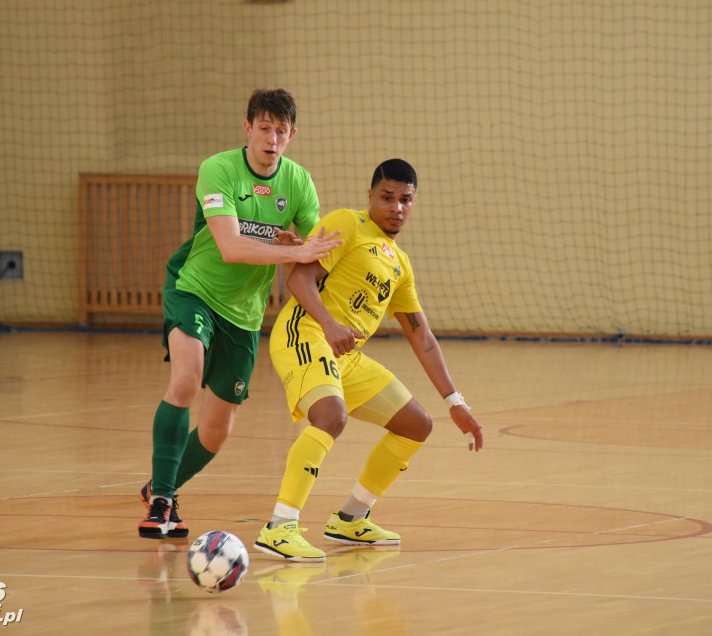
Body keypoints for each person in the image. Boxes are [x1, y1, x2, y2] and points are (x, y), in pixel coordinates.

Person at [255, 158, 483, 562]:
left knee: (416, 425)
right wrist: (327, 324)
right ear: (370, 196)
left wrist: (456, 402)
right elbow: (298, 279)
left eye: (405, 200)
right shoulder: (347, 223)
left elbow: (422, 336)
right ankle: (280, 526)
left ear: (415, 203)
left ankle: (350, 517)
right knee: (330, 417)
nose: (396, 207)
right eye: (387, 197)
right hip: (304, 332)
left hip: (345, 353)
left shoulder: (400, 263)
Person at [139, 88, 342, 539]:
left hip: (245, 314)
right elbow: (230, 248)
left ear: (292, 136)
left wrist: (302, 255)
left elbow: (313, 257)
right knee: (186, 378)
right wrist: (290, 249)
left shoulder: (299, 183)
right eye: (265, 128)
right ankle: (162, 503)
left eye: (282, 131)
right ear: (248, 128)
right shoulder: (219, 169)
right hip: (195, 290)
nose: (272, 139)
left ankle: (160, 483)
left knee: (216, 432)